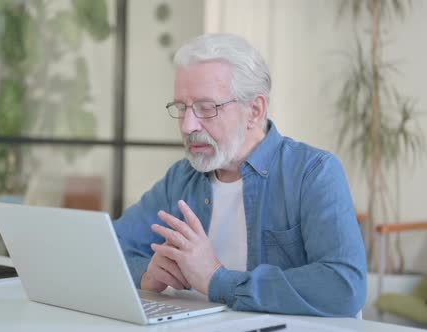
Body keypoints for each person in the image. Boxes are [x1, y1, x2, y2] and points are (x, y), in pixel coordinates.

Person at [113, 33, 366, 317]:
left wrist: (216, 280)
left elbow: (344, 287)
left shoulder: (314, 173)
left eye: (206, 108)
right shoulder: (182, 178)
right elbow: (110, 248)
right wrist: (146, 272)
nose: (187, 125)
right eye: (181, 108)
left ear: (254, 111)